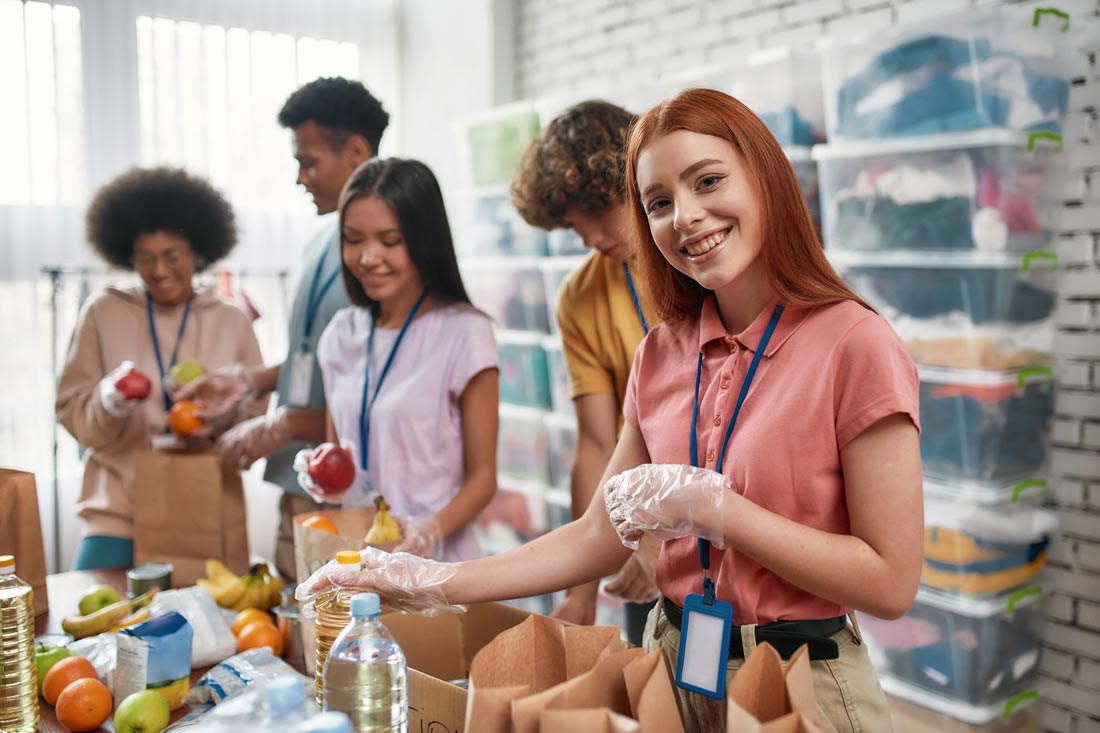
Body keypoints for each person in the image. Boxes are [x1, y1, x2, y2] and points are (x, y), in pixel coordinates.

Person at [299, 88, 924, 732]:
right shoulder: (661, 352)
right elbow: (599, 535)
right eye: (658, 203)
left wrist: (719, 513)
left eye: (708, 181)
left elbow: (889, 583)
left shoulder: (855, 343)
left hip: (802, 677)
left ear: (766, 180)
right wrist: (429, 580)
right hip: (674, 664)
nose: (685, 216)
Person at [178, 77, 390, 581]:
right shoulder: (321, 241)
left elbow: (376, 398)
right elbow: (321, 359)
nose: (300, 178)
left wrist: (282, 425)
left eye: (309, 162)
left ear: (357, 151)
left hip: (352, 496)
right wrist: (250, 382)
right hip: (299, 480)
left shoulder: (380, 262)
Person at [56, 166, 263, 570]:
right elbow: (73, 414)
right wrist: (108, 401)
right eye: (144, 258)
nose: (159, 271)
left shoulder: (231, 320)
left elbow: (253, 426)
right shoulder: (104, 311)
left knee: (218, 630)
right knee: (91, 620)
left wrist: (220, 420)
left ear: (198, 253)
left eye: (172, 256)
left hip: (207, 505)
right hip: (117, 505)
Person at [295, 157, 500, 562]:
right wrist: (322, 475)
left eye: (390, 241)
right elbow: (342, 452)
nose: (369, 258)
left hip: (439, 567)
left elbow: (483, 479)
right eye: (354, 240)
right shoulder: (341, 334)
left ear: (424, 241)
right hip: (359, 556)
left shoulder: (465, 332)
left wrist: (428, 531)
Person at [511, 100, 659, 643]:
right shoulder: (580, 296)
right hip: (642, 528)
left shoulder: (703, 261)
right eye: (573, 225)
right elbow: (597, 445)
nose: (590, 238)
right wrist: (582, 585)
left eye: (597, 212)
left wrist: (668, 541)